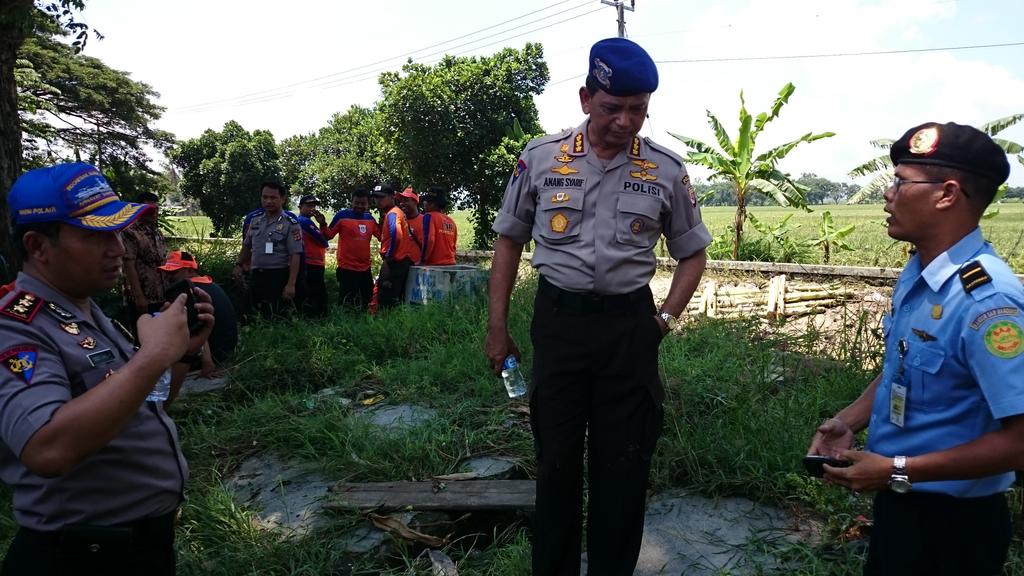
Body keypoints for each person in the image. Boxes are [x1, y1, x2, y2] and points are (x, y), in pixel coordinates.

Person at [485, 38, 710, 576]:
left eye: (638, 110)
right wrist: (497, 326)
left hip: (630, 329)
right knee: (556, 463)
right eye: (613, 108)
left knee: (623, 467)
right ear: (587, 98)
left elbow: (693, 255)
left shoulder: (664, 170)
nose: (625, 121)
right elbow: (508, 241)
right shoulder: (539, 159)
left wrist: (664, 320)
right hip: (558, 325)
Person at [808, 123, 1023, 576]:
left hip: (956, 529)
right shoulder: (920, 272)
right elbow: (902, 365)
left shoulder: (987, 301)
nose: (887, 194)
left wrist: (896, 469)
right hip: (901, 505)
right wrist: (848, 421)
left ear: (946, 194)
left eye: (901, 182)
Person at [0, 162, 214, 575]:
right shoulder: (15, 327)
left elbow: (143, 403)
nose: (117, 248)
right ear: (38, 246)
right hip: (81, 558)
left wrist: (182, 352)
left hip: (137, 547)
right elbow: (47, 448)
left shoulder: (84, 309)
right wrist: (151, 357)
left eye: (116, 232)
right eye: (95, 236)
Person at [158, 250, 238, 383]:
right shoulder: (209, 284)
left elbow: (196, 329)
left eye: (173, 272)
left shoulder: (189, 292)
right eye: (167, 272)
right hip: (228, 346)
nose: (168, 276)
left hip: (215, 352)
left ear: (190, 271)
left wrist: (207, 363)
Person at [232, 182, 303, 318]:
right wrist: (238, 265)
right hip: (256, 275)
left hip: (278, 276)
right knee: (250, 315)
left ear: (283, 199)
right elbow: (247, 246)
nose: (268, 201)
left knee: (276, 316)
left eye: (273, 197)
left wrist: (291, 284)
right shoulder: (255, 221)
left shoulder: (291, 224)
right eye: (265, 197)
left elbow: (295, 254)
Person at [323, 188, 379, 310]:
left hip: (365, 268)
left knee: (367, 300)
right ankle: (344, 325)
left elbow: (381, 236)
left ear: (368, 204)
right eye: (357, 203)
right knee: (346, 301)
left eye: (363, 203)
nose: (359, 206)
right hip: (346, 268)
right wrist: (323, 224)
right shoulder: (342, 216)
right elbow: (328, 235)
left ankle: (365, 324)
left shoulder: (370, 219)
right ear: (352, 202)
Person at [121, 191, 167, 329]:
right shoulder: (130, 233)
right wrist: (139, 297)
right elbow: (128, 266)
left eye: (156, 209)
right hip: (143, 297)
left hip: (161, 294)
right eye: (150, 209)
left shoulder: (157, 233)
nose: (154, 213)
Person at [375, 184, 419, 309]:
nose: (378, 200)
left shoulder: (393, 214)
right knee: (397, 297)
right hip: (402, 261)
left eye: (381, 197)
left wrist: (389, 255)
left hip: (394, 262)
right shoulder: (397, 212)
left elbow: (396, 234)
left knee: (385, 298)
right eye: (376, 198)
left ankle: (385, 324)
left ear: (391, 197)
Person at [296, 195, 330, 317]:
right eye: (309, 205)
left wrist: (322, 224)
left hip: (311, 262)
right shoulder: (304, 222)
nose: (312, 208)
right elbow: (323, 241)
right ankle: (318, 317)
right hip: (312, 263)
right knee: (317, 293)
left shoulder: (306, 221)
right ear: (300, 207)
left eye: (314, 206)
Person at [418, 188, 458, 266]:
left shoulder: (429, 216)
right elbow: (454, 244)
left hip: (434, 264)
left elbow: (429, 240)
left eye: (426, 201)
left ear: (432, 204)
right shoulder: (451, 221)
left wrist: (422, 260)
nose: (424, 203)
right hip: (451, 263)